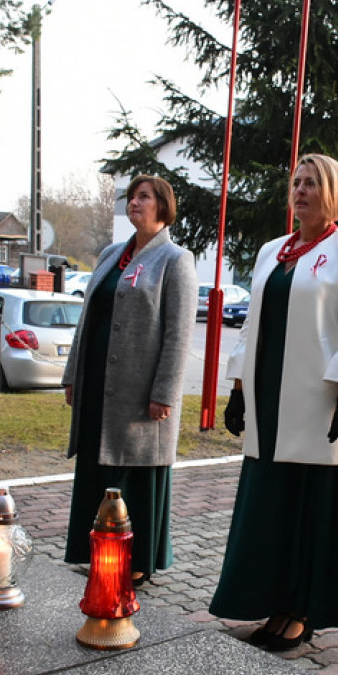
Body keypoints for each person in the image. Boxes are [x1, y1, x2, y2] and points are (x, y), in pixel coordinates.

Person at [210, 154, 338, 651]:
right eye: (296, 182)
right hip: (268, 403)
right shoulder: (273, 251)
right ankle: (271, 601)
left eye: (311, 183)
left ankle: (300, 609)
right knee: (271, 507)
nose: (300, 191)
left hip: (316, 402)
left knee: (309, 508)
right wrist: (239, 389)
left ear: (333, 193)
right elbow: (250, 326)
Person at [61, 175, 197, 584]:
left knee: (133, 470)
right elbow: (87, 320)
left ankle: (135, 559)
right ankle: (99, 548)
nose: (134, 203)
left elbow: (179, 334)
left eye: (144, 197)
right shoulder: (110, 254)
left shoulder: (175, 260)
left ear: (163, 207)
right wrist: (73, 376)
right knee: (97, 465)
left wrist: (164, 392)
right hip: (97, 383)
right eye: (132, 197)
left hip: (140, 392)